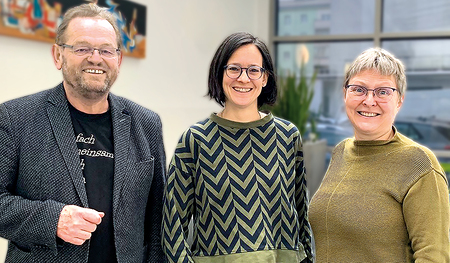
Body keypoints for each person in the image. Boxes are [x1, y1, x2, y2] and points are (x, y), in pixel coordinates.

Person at [0, 4, 166, 262]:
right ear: (58, 56)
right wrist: (53, 219)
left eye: (106, 50)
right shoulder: (15, 118)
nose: (96, 58)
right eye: (82, 48)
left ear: (118, 60)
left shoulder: (146, 124)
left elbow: (157, 220)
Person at [161, 32, 313, 263]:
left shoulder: (287, 136)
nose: (243, 78)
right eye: (234, 69)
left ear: (265, 78)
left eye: (254, 70)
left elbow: (302, 215)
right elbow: (173, 228)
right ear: (220, 74)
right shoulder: (195, 140)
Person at [309, 47, 450, 262]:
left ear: (400, 100)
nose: (369, 100)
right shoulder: (341, 152)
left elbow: (434, 255)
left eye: (383, 91)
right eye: (359, 89)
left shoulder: (419, 164)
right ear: (345, 93)